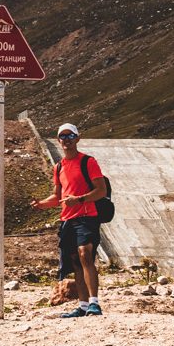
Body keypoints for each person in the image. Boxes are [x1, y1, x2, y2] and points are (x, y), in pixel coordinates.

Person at [30, 122, 107, 317]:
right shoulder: (58, 168)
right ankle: (82, 305)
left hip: (87, 216)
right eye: (63, 137)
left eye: (70, 136)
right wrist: (41, 204)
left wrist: (79, 199)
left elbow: (101, 190)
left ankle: (94, 302)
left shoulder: (88, 162)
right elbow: (57, 197)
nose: (66, 140)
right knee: (75, 261)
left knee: (85, 253)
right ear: (58, 140)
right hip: (68, 219)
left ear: (77, 139)